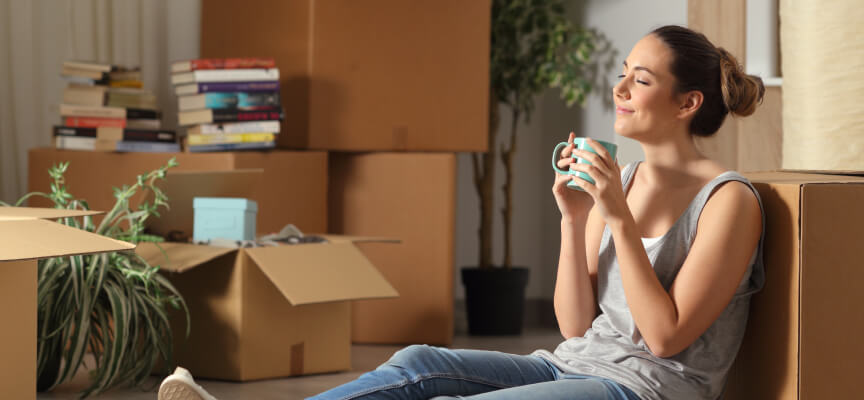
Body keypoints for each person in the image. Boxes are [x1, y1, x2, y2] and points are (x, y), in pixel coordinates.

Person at [162, 24, 767, 400]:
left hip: (643, 390)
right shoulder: (626, 180)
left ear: (688, 102)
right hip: (572, 367)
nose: (620, 90)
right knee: (418, 364)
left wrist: (615, 218)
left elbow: (663, 338)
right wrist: (574, 219)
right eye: (622, 76)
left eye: (640, 79)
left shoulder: (729, 201)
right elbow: (575, 329)